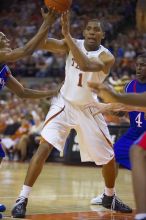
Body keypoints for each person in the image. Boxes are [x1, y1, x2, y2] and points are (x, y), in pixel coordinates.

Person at [12, 12, 132, 218]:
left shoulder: (106, 56)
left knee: (109, 158)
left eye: (96, 29)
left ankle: (109, 196)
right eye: (89, 28)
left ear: (103, 35)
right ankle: (22, 198)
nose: (92, 32)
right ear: (84, 32)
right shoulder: (70, 43)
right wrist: (48, 22)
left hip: (88, 108)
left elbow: (87, 65)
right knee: (44, 146)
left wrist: (66, 35)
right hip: (64, 103)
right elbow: (40, 43)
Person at [0, 9, 58, 216]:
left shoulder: (3, 69)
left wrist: (50, 92)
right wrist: (47, 23)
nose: (6, 40)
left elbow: (22, 92)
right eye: (2, 38)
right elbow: (25, 51)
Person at [88, 53, 146, 220]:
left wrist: (109, 105)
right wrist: (112, 109)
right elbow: (124, 109)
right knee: (111, 155)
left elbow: (131, 105)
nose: (139, 68)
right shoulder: (130, 86)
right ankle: (108, 194)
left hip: (144, 133)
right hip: (134, 131)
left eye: (143, 65)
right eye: (138, 65)